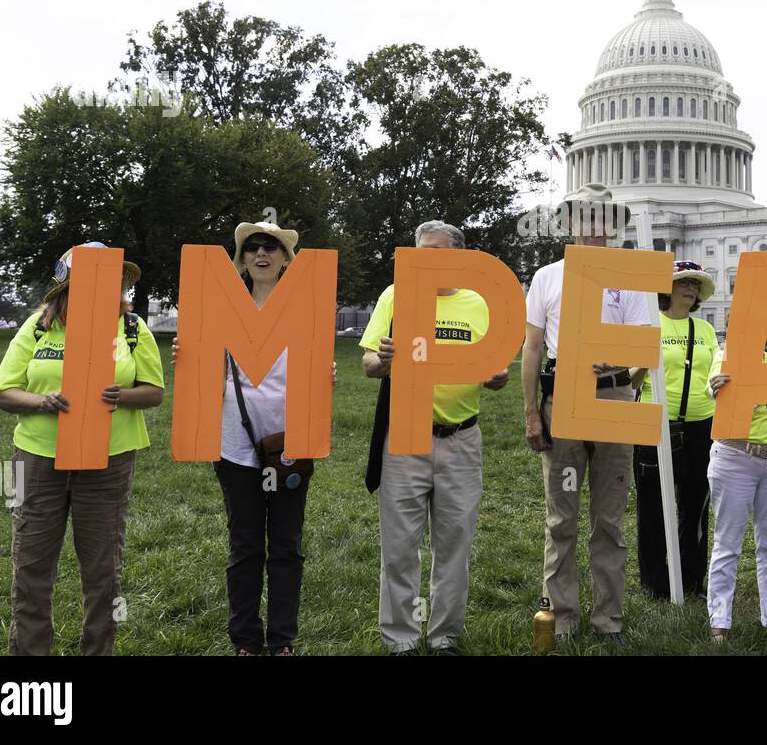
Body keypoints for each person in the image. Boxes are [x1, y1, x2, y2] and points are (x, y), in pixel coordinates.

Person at [0, 242, 165, 655]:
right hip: (38, 461)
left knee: (103, 568)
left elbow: (154, 392)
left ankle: (98, 650)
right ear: (68, 283)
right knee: (31, 566)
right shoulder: (37, 327)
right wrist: (42, 402)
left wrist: (121, 394)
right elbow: (0, 392)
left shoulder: (134, 329)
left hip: (108, 461)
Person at [173, 220, 331, 655]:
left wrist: (324, 376)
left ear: (285, 259)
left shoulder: (306, 310)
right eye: (252, 248)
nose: (261, 254)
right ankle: (245, 640)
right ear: (241, 260)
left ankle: (282, 642)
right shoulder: (223, 309)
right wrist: (186, 358)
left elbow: (314, 371)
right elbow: (206, 371)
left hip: (290, 445)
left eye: (271, 247)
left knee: (286, 547)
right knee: (245, 547)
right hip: (236, 447)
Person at [360, 220, 510, 654]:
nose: (425, 262)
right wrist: (382, 359)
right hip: (405, 435)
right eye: (419, 253)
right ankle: (401, 639)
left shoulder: (481, 303)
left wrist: (497, 377)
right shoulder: (396, 295)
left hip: (461, 438)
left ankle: (445, 635)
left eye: (436, 253)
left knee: (454, 543)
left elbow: (495, 373)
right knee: (400, 546)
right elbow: (369, 364)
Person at [522, 183, 652, 646]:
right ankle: (561, 617)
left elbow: (643, 347)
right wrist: (532, 414)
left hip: (614, 398)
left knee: (610, 518)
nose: (594, 226)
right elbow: (533, 347)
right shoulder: (547, 277)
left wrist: (618, 363)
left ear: (613, 226)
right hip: (563, 398)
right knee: (561, 517)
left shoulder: (630, 277)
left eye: (602, 217)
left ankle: (609, 621)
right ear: (572, 222)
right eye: (585, 216)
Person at [628, 261, 718, 600]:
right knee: (653, 506)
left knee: (695, 505)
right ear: (668, 288)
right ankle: (654, 582)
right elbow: (631, 380)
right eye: (683, 282)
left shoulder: (706, 331)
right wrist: (642, 361)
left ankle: (692, 581)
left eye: (695, 284)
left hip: (702, 425)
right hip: (656, 423)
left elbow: (716, 373)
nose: (690, 288)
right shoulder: (651, 324)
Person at [705, 343, 767, 647]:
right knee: (727, 544)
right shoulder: (729, 351)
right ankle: (719, 624)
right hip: (735, 456)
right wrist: (714, 387)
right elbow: (715, 382)